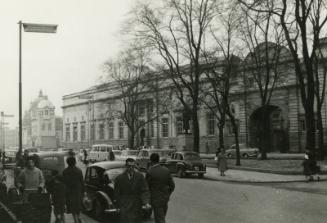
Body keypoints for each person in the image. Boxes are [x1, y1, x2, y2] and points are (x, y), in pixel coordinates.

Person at [114, 158, 151, 223]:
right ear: (126, 166)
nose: (131, 168)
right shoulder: (119, 178)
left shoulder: (140, 176)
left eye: (133, 166)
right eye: (129, 166)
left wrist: (146, 202)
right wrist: (118, 206)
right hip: (125, 207)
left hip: (136, 206)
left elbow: (144, 190)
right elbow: (117, 194)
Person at [146, 153, 175, 223]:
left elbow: (146, 187)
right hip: (165, 198)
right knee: (161, 217)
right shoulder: (166, 170)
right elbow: (172, 186)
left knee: (160, 219)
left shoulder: (150, 171)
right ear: (158, 160)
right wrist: (167, 194)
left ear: (151, 161)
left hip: (155, 199)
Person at [63, 157, 84, 223]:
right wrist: (84, 191)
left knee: (72, 206)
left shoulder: (65, 171)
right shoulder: (79, 170)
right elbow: (82, 181)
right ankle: (77, 217)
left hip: (69, 191)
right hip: (78, 190)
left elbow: (64, 182)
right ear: (75, 162)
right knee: (78, 206)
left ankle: (75, 219)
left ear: (67, 163)